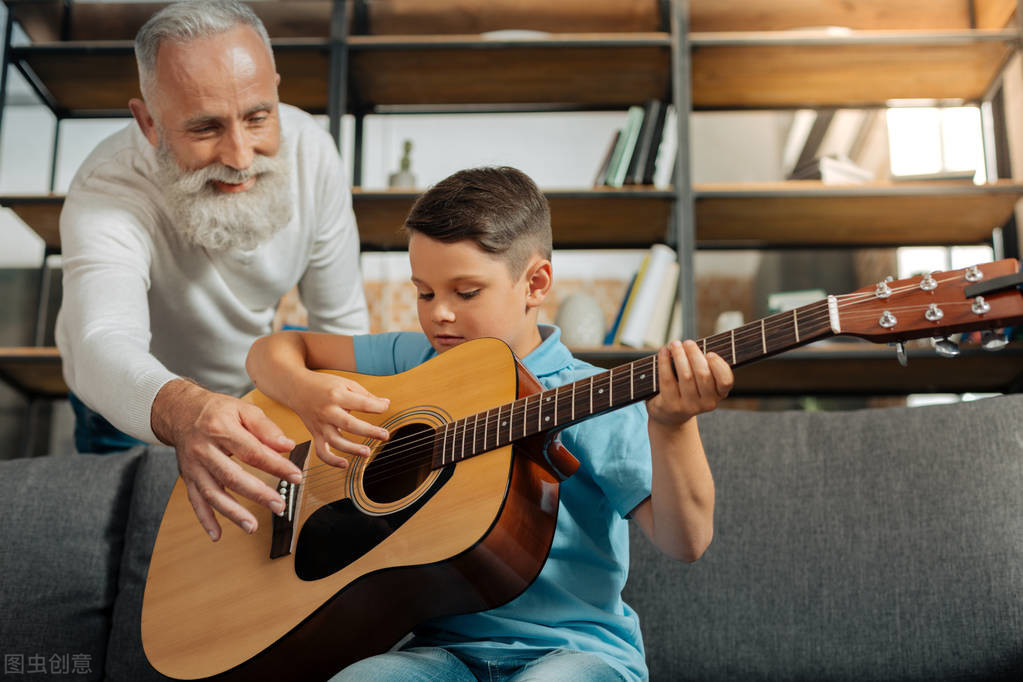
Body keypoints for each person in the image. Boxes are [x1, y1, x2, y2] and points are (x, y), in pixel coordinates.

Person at [246, 166, 734, 681]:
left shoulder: (594, 397)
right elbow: (272, 350)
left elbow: (688, 541)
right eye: (425, 293)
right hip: (439, 655)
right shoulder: (415, 359)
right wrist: (307, 393)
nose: (440, 316)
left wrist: (674, 427)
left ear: (535, 283)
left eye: (466, 292)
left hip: (577, 654)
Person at [55, 0, 371, 542]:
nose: (242, 156)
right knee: (136, 563)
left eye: (257, 116)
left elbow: (341, 323)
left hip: (250, 400)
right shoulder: (107, 187)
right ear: (149, 122)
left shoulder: (313, 154)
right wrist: (184, 409)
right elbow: (100, 341)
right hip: (134, 407)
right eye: (205, 128)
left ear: (275, 86)